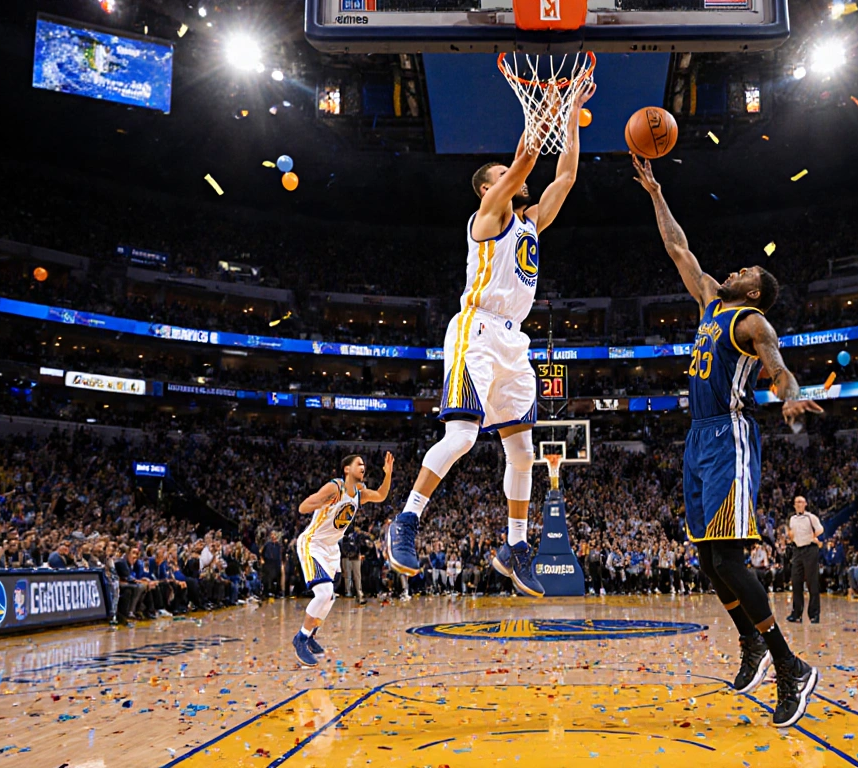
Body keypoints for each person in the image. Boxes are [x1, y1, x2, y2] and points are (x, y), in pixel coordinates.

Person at [385, 80, 598, 598]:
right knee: (460, 437)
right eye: (503, 177)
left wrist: (570, 118)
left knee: (522, 454)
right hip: (476, 331)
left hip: (514, 341)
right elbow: (526, 159)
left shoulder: (529, 223)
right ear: (488, 188)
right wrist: (547, 106)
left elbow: (565, 175)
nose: (514, 177)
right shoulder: (486, 218)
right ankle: (407, 521)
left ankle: (515, 547)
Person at [632, 154, 824, 729]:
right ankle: (754, 644)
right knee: (711, 562)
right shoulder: (711, 302)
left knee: (730, 558)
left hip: (731, 437)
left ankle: (791, 665)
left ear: (758, 293)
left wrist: (789, 394)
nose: (737, 269)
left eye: (747, 273)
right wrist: (656, 193)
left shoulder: (752, 323)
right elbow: (678, 249)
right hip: (698, 437)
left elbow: (780, 367)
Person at [293, 453, 393, 667]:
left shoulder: (359, 493)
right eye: (359, 464)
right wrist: (320, 501)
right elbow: (303, 507)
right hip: (313, 543)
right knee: (324, 592)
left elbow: (381, 495)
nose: (363, 467)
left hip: (331, 548)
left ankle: (311, 635)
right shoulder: (335, 488)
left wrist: (388, 474)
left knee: (330, 598)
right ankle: (300, 638)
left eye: (364, 464)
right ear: (347, 469)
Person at [786, 496, 824, 624]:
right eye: (796, 502)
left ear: (806, 504)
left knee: (812, 582)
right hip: (797, 550)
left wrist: (813, 536)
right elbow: (792, 533)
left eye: (801, 502)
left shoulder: (811, 517)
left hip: (810, 550)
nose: (798, 504)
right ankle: (796, 613)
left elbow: (820, 529)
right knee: (796, 582)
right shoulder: (792, 519)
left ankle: (814, 614)